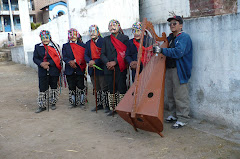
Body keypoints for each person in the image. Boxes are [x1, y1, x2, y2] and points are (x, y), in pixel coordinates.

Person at [154, 16, 193, 129]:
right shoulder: (170, 38)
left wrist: (161, 50)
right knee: (170, 94)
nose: (172, 25)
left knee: (180, 95)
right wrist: (158, 47)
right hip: (169, 69)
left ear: (180, 25)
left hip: (179, 70)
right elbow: (165, 49)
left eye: (174, 23)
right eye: (170, 24)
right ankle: (174, 114)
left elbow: (178, 52)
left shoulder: (184, 37)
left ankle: (183, 118)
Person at [100, 19, 129, 116]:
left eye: (114, 25)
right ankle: (113, 108)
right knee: (111, 88)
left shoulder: (124, 38)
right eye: (110, 25)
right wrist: (107, 63)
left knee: (121, 87)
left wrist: (115, 62)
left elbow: (125, 53)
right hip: (108, 68)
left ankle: (122, 108)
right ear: (108, 28)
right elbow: (102, 54)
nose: (112, 27)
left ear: (119, 26)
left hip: (119, 67)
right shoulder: (105, 39)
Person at [33, 30, 62, 113]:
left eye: (47, 37)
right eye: (43, 38)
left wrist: (49, 63)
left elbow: (58, 58)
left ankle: (53, 103)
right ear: (40, 38)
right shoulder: (37, 47)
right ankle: (42, 105)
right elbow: (35, 58)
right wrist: (41, 63)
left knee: (53, 87)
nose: (45, 39)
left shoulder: (55, 47)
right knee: (42, 88)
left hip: (53, 70)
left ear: (50, 37)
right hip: (42, 71)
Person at [84, 25, 109, 112]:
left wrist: (96, 62)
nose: (92, 33)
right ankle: (99, 104)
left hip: (101, 68)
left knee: (104, 87)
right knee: (96, 88)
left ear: (98, 32)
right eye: (90, 32)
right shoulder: (87, 43)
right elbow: (85, 55)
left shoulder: (103, 41)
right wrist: (89, 61)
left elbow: (104, 54)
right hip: (92, 69)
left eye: (94, 31)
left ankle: (107, 105)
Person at [62, 28, 87, 108]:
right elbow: (64, 57)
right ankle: (73, 102)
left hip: (79, 68)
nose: (73, 37)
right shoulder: (65, 46)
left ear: (77, 36)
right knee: (71, 86)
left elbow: (84, 56)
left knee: (81, 85)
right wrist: (70, 62)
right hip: (69, 69)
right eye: (71, 35)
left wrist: (76, 61)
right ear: (68, 36)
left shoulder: (82, 45)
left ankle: (82, 102)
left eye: (74, 35)